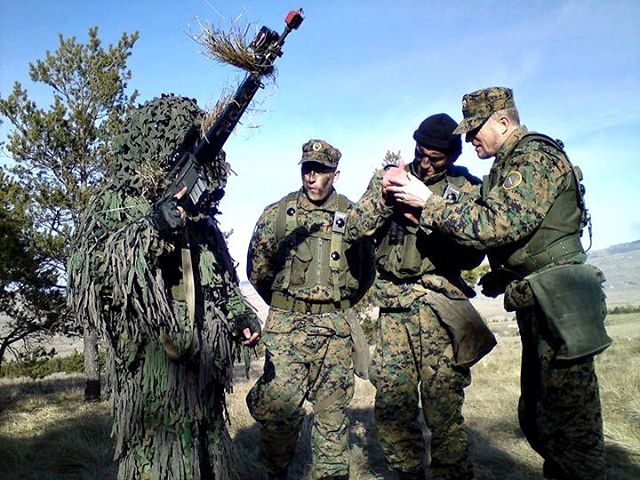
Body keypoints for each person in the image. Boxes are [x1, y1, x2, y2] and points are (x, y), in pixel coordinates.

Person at [386, 87, 611, 480]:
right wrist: (504, 274)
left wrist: (429, 204)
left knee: (570, 430)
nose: (471, 138)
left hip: (561, 304)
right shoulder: (509, 164)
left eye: (476, 129)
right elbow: (527, 233)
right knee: (541, 418)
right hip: (541, 300)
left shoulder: (533, 157)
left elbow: (497, 224)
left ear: (504, 121)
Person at [68, 95, 261, 480]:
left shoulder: (200, 218)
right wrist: (152, 229)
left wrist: (240, 313)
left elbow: (220, 278)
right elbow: (91, 279)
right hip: (151, 382)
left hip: (202, 380)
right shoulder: (116, 204)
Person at [363, 113, 496, 480]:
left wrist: (428, 212)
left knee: (444, 409)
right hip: (393, 309)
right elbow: (358, 229)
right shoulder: (393, 178)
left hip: (439, 310)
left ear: (452, 155)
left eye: (435, 158)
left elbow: (474, 252)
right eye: (421, 153)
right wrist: (386, 196)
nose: (425, 162)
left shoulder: (466, 189)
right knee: (392, 404)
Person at [246, 139, 374, 480]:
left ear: (336, 174)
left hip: (334, 334)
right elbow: (257, 270)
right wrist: (288, 305)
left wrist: (333, 305)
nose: (312, 178)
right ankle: (274, 473)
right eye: (307, 169)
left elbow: (365, 274)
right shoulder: (277, 214)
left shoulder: (353, 216)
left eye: (320, 171)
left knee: (332, 419)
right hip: (286, 331)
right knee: (279, 418)